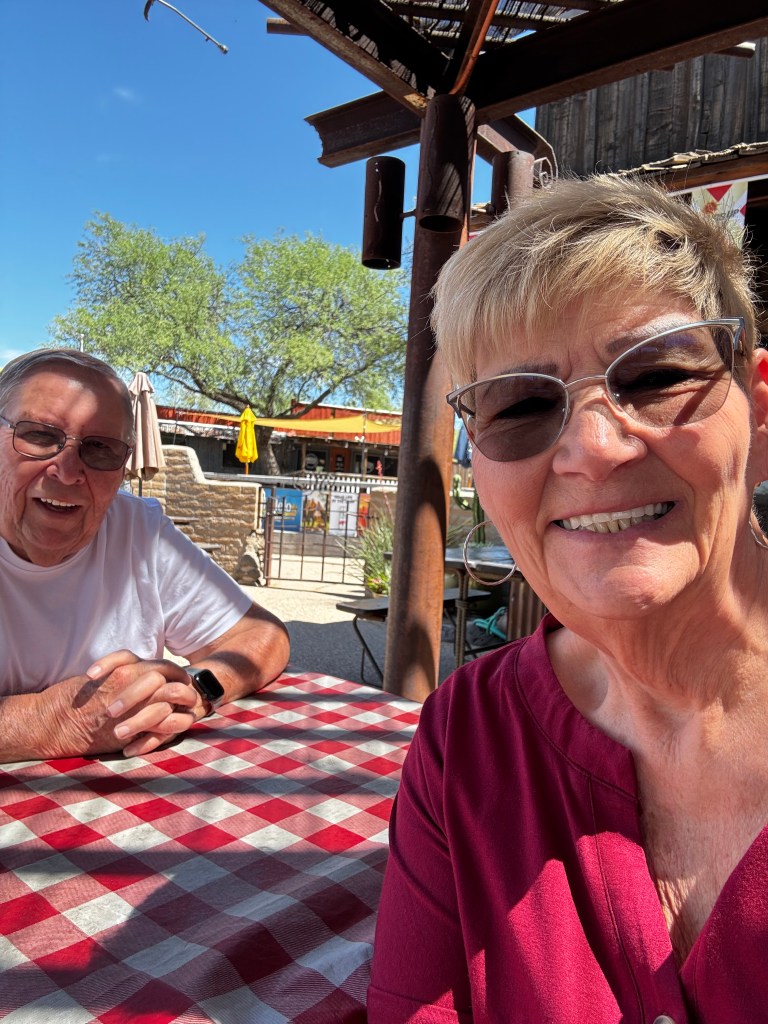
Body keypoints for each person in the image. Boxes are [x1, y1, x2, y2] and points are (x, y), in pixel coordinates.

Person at [368, 175, 768, 1022]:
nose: (592, 447)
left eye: (656, 374)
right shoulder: (468, 732)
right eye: (517, 405)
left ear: (760, 411)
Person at [0, 349, 290, 762]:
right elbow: (61, 722)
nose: (66, 471)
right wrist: (56, 720)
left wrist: (193, 690)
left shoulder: (138, 531)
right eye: (40, 435)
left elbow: (262, 636)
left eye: (100, 449)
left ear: (122, 468)